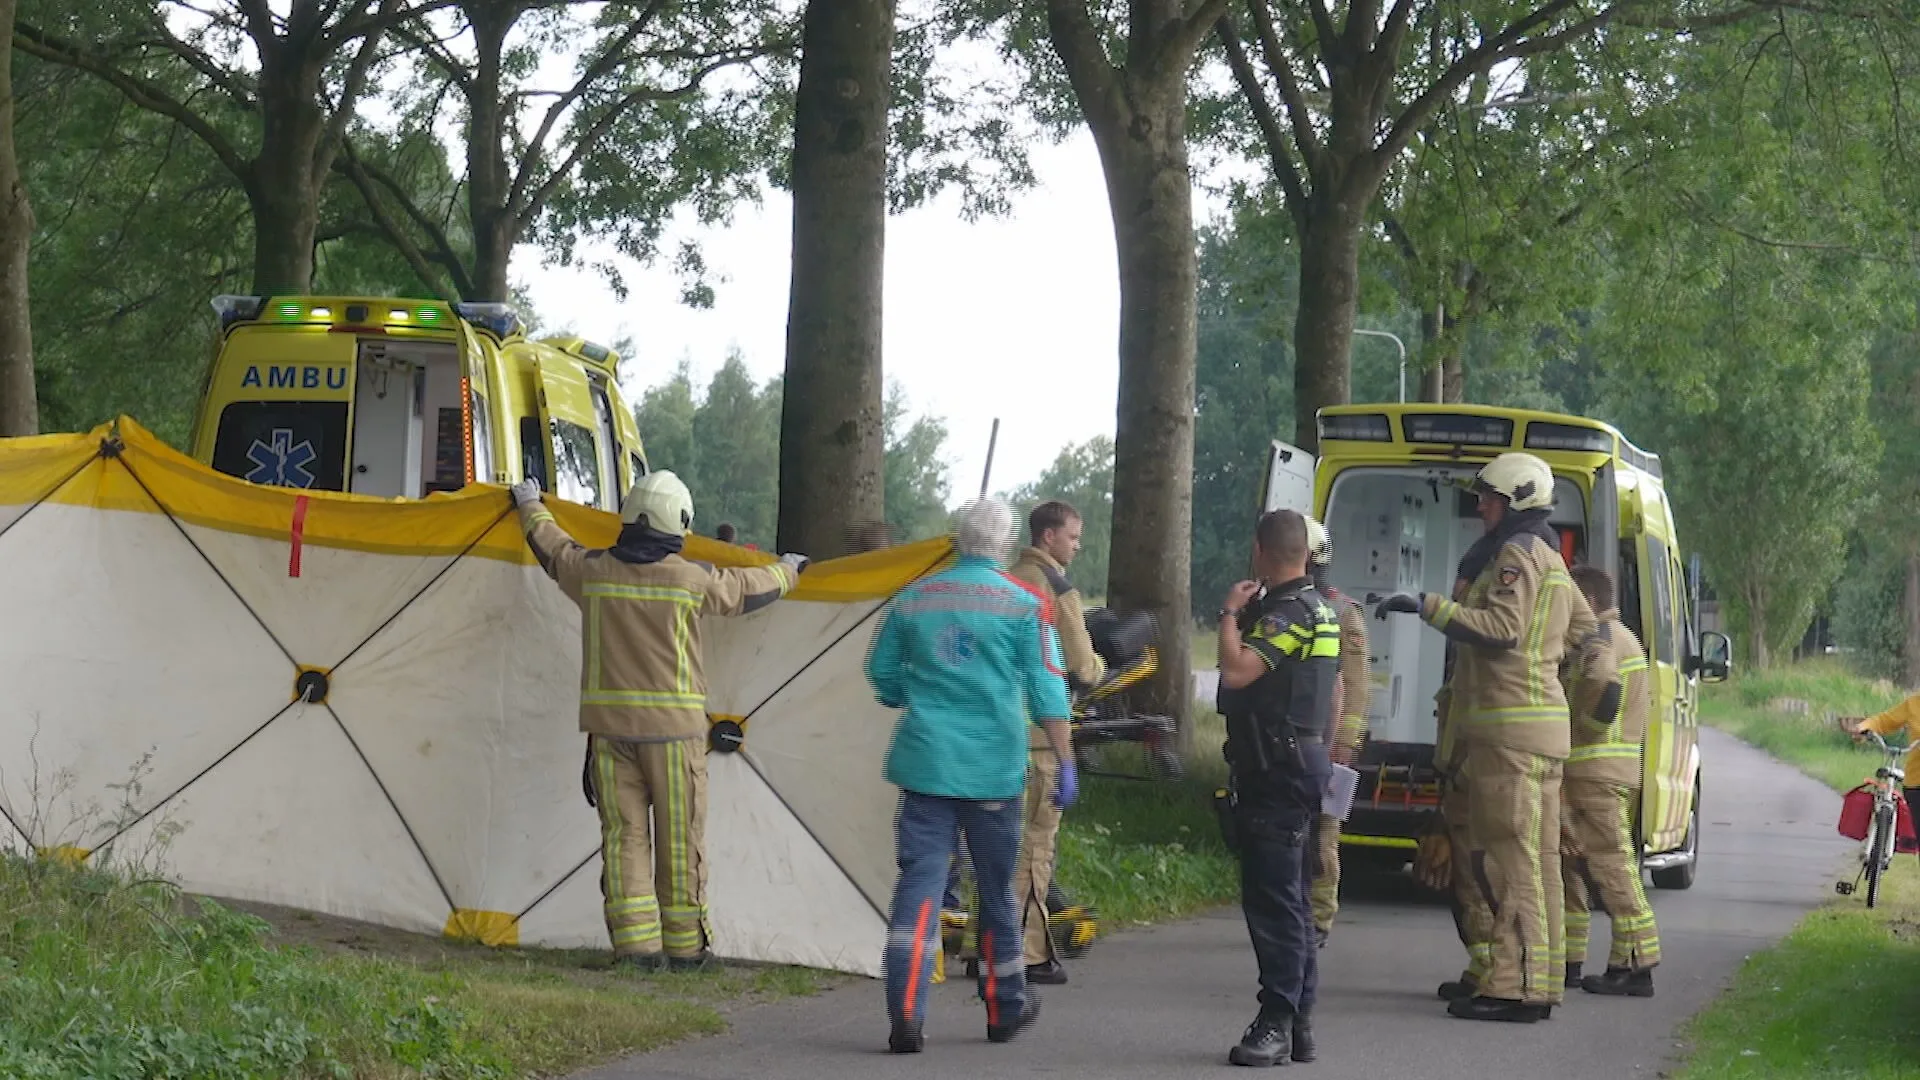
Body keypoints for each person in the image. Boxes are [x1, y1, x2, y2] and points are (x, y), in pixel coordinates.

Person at [510, 471, 805, 972]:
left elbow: (552, 547)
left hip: (609, 736)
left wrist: (528, 502)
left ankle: (636, 952)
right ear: (680, 523)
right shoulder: (691, 579)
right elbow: (746, 590)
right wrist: (791, 570)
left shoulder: (593, 572)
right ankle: (687, 953)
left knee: (623, 837)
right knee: (679, 841)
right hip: (674, 739)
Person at [1375, 452, 1613, 1023]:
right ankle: (1535, 980)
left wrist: (1427, 607)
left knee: (1512, 863)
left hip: (1511, 735)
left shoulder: (1516, 554)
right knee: (1535, 862)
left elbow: (1503, 630)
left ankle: (1519, 990)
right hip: (1535, 734)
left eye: (1490, 497)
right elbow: (1590, 636)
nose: (1480, 505)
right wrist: (1586, 710)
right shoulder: (1551, 558)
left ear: (1517, 500)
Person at [865, 496, 1072, 1054]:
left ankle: (905, 1018)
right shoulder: (1025, 604)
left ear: (958, 539)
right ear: (1003, 545)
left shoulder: (912, 599)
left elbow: (881, 674)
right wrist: (1065, 756)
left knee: (920, 889)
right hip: (994, 772)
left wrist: (916, 696)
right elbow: (1049, 686)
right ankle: (1005, 1008)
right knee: (997, 891)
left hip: (926, 764)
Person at [1216, 509, 1341, 1066]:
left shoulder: (1288, 612)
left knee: (1273, 903)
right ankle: (1301, 1023)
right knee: (1291, 900)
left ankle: (1276, 1019)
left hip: (1277, 769)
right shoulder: (1322, 608)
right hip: (1300, 760)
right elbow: (1333, 699)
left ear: (1263, 550)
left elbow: (1239, 671)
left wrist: (1228, 614)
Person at [1004, 500, 1105, 984]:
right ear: (1048, 536)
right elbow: (1081, 664)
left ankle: (987, 945)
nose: (1077, 545)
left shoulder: (1002, 580)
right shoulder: (1057, 589)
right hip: (1042, 740)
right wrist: (1101, 669)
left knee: (997, 848)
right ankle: (1025, 954)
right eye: (1073, 536)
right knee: (1034, 848)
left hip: (996, 735)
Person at [1560, 564, 1660, 997]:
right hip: (1602, 770)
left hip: (1595, 768)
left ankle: (1637, 964)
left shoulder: (1600, 639)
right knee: (1588, 865)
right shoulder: (1620, 637)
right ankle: (1598, 961)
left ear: (1590, 602)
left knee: (1610, 866)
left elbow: (1604, 684)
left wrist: (1586, 725)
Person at [1300, 514, 1369, 949]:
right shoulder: (1280, 606)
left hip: (1329, 744)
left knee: (1323, 835)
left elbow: (1358, 686)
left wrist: (1344, 745)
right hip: (1292, 739)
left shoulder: (1344, 614)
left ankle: (1319, 919)